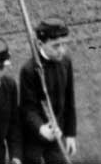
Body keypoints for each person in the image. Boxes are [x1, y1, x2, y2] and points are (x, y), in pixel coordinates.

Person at [17, 18, 77, 164]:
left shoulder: (66, 61)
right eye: (56, 46)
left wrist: (70, 134)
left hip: (58, 133)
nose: (61, 50)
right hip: (34, 137)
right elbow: (27, 108)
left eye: (64, 44)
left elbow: (70, 99)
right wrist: (41, 128)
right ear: (40, 44)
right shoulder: (29, 70)